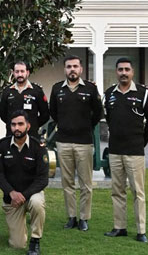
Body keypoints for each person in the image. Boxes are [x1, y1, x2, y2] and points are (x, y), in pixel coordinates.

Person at [49, 55, 102, 231]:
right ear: (65, 69)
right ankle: (71, 217)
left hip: (84, 143)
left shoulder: (90, 89)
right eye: (69, 66)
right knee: (67, 182)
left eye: (75, 66)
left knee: (86, 183)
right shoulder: (57, 89)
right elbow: (54, 113)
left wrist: (86, 126)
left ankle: (84, 218)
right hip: (63, 142)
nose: (72, 69)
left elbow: (98, 113)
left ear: (81, 69)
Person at [103, 58, 148, 243]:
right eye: (120, 69)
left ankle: (141, 231)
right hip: (115, 151)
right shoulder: (109, 94)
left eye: (127, 69)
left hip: (135, 151)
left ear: (132, 72)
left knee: (138, 192)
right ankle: (119, 227)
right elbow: (108, 119)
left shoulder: (143, 94)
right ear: (116, 72)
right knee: (117, 191)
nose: (123, 72)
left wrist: (140, 142)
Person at [0, 110, 49, 255]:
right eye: (13, 125)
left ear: (28, 126)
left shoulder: (39, 148)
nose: (16, 128)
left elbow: (43, 179)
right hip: (12, 200)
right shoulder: (2, 145)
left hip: (31, 195)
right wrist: (12, 193)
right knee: (17, 245)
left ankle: (35, 241)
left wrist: (23, 196)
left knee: (37, 203)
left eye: (20, 124)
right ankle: (20, 229)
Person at [0, 61, 49, 138]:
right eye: (17, 71)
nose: (20, 74)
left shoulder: (37, 91)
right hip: (12, 136)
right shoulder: (7, 91)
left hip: (31, 136)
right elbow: (2, 114)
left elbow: (45, 114)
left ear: (27, 72)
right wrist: (14, 125)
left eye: (22, 71)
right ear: (13, 73)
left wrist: (33, 125)